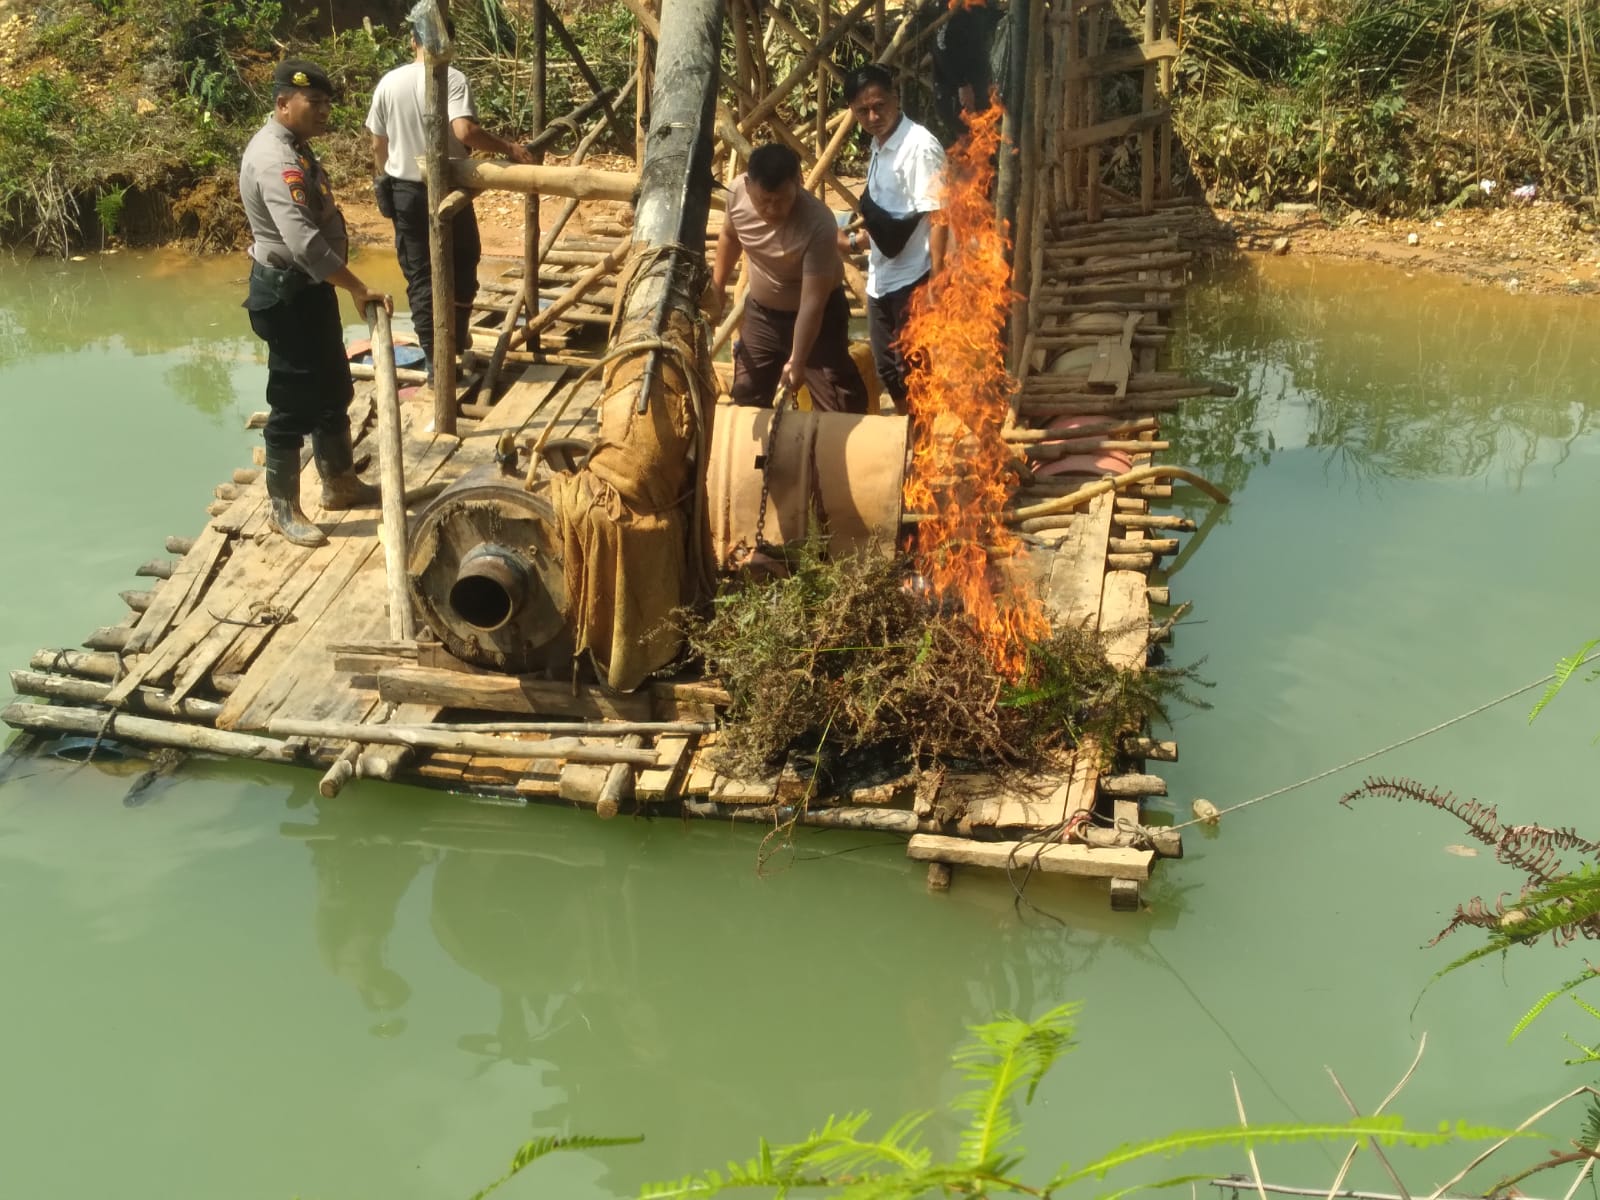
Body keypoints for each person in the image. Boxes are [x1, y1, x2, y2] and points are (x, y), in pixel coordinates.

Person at [239, 58, 391, 548]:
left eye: (327, 103)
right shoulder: (275, 159)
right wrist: (356, 286)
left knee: (333, 387)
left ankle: (340, 484)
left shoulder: (296, 148)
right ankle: (282, 508)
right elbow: (303, 243)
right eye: (315, 102)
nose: (325, 111)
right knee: (291, 402)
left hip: (310, 289)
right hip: (287, 296)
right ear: (284, 103)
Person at [365, 24, 534, 387]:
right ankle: (447, 349)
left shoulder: (389, 83)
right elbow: (465, 132)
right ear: (449, 43)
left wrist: (385, 178)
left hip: (405, 190)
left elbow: (379, 144)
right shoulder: (452, 78)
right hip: (447, 186)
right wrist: (508, 148)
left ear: (412, 40)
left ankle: (438, 356)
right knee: (463, 261)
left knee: (421, 274)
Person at [708, 143, 869, 414]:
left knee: (837, 406)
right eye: (764, 201)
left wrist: (798, 360)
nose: (772, 209)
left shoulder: (818, 223)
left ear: (798, 182)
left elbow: (812, 304)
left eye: (781, 200)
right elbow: (730, 236)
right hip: (762, 316)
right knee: (746, 397)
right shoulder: (736, 194)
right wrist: (718, 285)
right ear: (748, 185)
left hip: (820, 319)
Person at [840, 64, 947, 415]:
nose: (873, 117)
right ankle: (909, 432)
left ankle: (923, 438)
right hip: (881, 276)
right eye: (863, 111)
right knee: (888, 369)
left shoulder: (920, 147)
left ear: (895, 97)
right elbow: (893, 217)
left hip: (914, 277)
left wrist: (937, 279)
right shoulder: (878, 145)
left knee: (916, 369)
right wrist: (856, 243)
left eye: (879, 106)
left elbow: (939, 214)